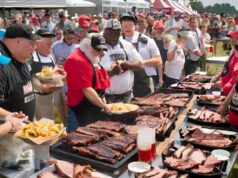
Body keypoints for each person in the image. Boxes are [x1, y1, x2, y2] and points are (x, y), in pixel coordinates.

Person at [0, 23, 40, 168]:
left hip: (22, 133)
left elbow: (26, 83)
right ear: (18, 41)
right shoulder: (2, 64)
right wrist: (10, 119)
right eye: (32, 43)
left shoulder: (21, 58)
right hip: (6, 144)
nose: (35, 47)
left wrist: (42, 88)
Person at [64, 34, 111, 129]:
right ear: (87, 46)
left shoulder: (88, 55)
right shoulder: (76, 60)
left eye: (101, 49)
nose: (100, 53)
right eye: (97, 49)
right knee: (77, 138)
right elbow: (86, 89)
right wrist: (104, 106)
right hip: (80, 108)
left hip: (91, 106)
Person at [100, 19, 143, 103]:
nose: (115, 36)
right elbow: (93, 75)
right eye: (112, 32)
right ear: (105, 31)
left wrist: (125, 64)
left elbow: (140, 64)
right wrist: (112, 71)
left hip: (127, 96)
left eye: (117, 33)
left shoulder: (127, 45)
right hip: (107, 97)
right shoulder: (98, 48)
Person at [120, 15, 163, 96]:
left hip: (143, 83)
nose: (127, 28)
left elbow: (158, 60)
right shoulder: (118, 41)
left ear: (135, 26)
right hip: (125, 84)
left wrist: (140, 63)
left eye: (130, 25)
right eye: (124, 26)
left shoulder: (147, 41)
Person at [29, 28, 63, 120]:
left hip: (49, 97)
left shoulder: (50, 56)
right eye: (48, 45)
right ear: (37, 44)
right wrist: (40, 87)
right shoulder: (30, 57)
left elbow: (51, 71)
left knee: (49, 121)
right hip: (35, 98)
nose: (51, 47)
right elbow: (30, 78)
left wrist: (57, 70)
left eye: (51, 44)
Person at [52, 27, 78, 125]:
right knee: (57, 105)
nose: (70, 40)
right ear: (64, 36)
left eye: (72, 38)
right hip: (58, 79)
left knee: (68, 104)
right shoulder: (55, 46)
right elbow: (52, 60)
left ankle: (68, 126)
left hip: (70, 80)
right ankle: (61, 125)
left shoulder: (77, 47)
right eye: (68, 38)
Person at [212, 31, 238, 95]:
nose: (230, 40)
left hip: (229, 90)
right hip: (225, 85)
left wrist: (225, 88)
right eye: (231, 38)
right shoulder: (233, 51)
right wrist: (218, 76)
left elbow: (234, 78)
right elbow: (226, 67)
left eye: (233, 38)